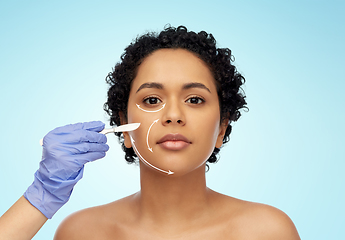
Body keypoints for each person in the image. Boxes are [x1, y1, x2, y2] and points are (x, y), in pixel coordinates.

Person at [0, 26, 300, 239]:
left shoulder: (267, 231)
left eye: (194, 99)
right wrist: (42, 195)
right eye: (152, 100)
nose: (172, 115)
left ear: (222, 128)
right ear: (124, 126)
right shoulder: (81, 232)